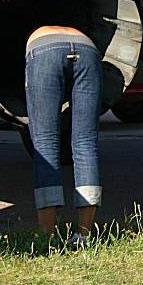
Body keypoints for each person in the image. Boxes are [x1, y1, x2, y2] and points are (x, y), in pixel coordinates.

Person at [25, 25, 103, 241]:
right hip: (88, 49)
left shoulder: (36, 32)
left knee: (45, 143)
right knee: (86, 143)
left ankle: (48, 236)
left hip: (43, 50)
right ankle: (84, 235)